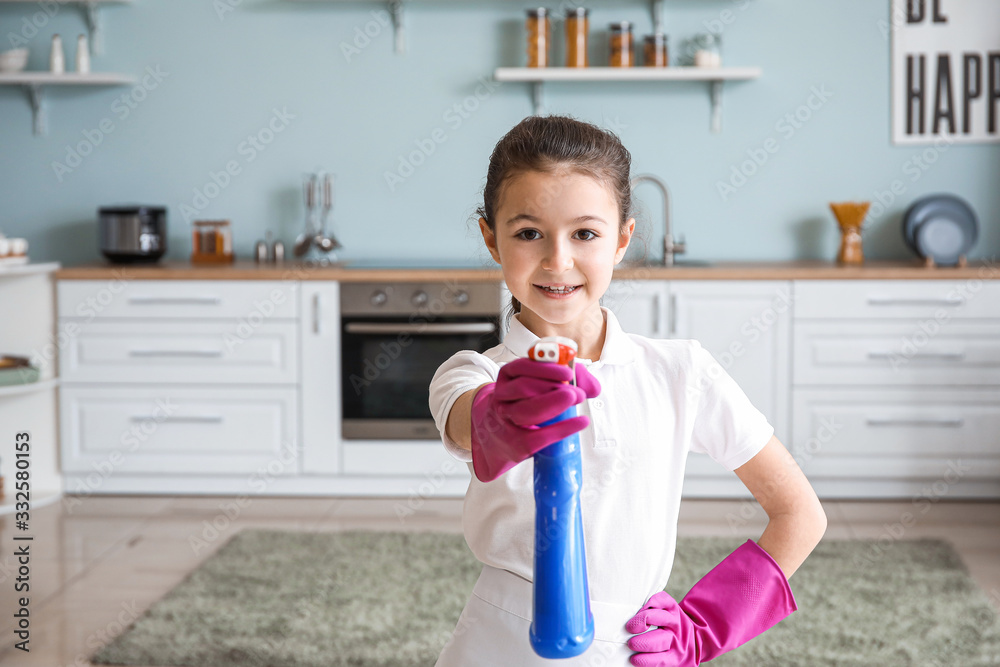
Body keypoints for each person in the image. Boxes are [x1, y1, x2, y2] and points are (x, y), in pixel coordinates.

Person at [428, 115, 827, 666]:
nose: (557, 260)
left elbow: (800, 513)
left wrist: (706, 626)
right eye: (528, 233)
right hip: (501, 644)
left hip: (637, 651)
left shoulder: (682, 371)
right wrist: (508, 414)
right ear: (491, 239)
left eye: (585, 233)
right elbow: (476, 425)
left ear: (622, 240)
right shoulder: (473, 375)